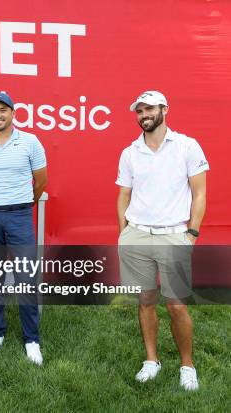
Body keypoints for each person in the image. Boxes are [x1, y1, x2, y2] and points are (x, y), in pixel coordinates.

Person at [116, 91, 208, 391]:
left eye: (150, 109)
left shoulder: (187, 146)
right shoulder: (130, 152)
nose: (144, 115)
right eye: (139, 110)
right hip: (137, 235)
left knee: (177, 305)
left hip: (174, 234)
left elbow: (199, 194)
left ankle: (187, 365)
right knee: (145, 301)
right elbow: (124, 195)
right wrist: (124, 234)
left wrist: (191, 234)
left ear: (165, 109)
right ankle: (151, 360)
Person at [0, 92, 47, 364]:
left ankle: (32, 339)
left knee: (26, 280)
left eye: (3, 110)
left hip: (20, 216)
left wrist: (21, 204)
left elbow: (40, 181)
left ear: (13, 113)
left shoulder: (30, 142)